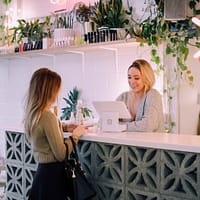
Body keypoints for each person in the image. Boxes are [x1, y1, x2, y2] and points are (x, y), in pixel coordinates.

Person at [24, 68, 86, 200]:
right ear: (50, 91)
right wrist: (75, 135)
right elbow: (61, 154)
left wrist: (63, 127)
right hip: (53, 178)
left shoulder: (33, 114)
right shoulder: (48, 117)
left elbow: (43, 130)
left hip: (42, 175)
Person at [116, 59, 165, 132]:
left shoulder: (153, 95)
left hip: (150, 142)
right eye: (129, 77)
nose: (132, 82)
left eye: (136, 78)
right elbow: (104, 121)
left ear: (147, 78)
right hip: (129, 142)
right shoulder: (123, 97)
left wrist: (122, 127)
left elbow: (148, 125)